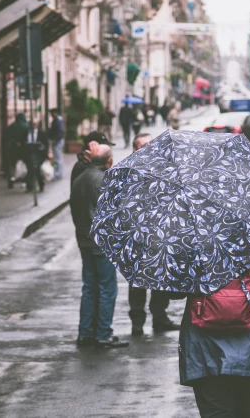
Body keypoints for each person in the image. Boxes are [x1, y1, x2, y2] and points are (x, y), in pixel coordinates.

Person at [178, 247, 250, 418]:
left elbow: (173, 290)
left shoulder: (190, 234)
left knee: (215, 411)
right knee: (247, 411)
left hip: (204, 341)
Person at [70, 143, 129, 348]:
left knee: (89, 288)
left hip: (84, 240)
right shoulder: (105, 180)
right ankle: (103, 333)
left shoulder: (79, 179)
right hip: (101, 242)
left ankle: (85, 333)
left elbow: (75, 211)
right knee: (107, 289)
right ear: (108, 161)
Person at [127, 133, 180, 336]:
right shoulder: (129, 173)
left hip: (161, 236)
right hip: (138, 237)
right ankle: (137, 322)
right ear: (135, 149)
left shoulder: (164, 170)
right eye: (145, 145)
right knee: (138, 283)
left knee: (161, 280)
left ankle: (160, 318)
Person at [25, 120, 49, 193]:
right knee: (30, 169)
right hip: (29, 154)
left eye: (34, 124)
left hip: (39, 154)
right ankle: (29, 186)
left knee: (37, 169)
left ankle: (40, 184)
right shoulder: (26, 133)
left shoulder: (41, 133)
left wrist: (45, 154)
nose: (33, 126)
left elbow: (46, 144)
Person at [6, 113, 29, 188]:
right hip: (24, 148)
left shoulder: (11, 126)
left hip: (13, 148)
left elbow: (8, 137)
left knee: (12, 164)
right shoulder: (26, 126)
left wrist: (15, 143)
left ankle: (11, 180)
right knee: (24, 164)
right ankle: (24, 180)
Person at [48, 108, 65, 181]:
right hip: (58, 140)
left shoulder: (58, 120)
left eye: (51, 113)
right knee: (58, 157)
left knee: (58, 158)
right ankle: (58, 173)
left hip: (57, 141)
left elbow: (60, 131)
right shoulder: (58, 120)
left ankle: (58, 174)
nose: (51, 115)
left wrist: (56, 139)